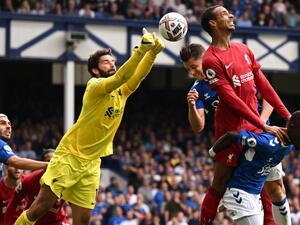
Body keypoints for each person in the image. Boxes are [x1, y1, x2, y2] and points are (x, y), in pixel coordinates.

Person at [14, 28, 165, 225]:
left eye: (113, 61)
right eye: (106, 62)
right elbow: (120, 77)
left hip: (92, 162)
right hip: (70, 156)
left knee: (83, 221)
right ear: (95, 70)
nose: (112, 64)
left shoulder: (122, 91)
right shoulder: (95, 86)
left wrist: (152, 54)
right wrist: (140, 51)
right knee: (38, 209)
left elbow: (136, 77)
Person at [199, 5, 292, 225]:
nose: (230, 15)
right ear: (212, 24)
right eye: (223, 14)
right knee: (219, 184)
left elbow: (265, 87)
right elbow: (231, 100)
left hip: (258, 125)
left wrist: (288, 117)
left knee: (272, 185)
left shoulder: (244, 50)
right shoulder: (211, 60)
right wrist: (264, 125)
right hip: (232, 128)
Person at [179, 43, 290, 225]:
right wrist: (191, 106)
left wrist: (261, 124)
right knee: (219, 185)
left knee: (274, 189)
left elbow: (268, 97)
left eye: (193, 66)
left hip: (261, 135)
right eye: (188, 69)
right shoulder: (197, 90)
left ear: (205, 59)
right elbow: (198, 126)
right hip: (233, 139)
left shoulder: (232, 68)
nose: (192, 72)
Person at [207, 110, 300, 225]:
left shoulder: (288, 145)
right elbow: (231, 136)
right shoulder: (268, 143)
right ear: (292, 126)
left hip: (255, 197)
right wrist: (211, 153)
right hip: (240, 192)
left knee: (278, 190)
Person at [5, 148, 71, 225]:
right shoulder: (29, 180)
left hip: (57, 221)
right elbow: (13, 203)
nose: (52, 163)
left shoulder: (67, 181)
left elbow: (76, 205)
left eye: (55, 160)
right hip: (32, 221)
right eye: (48, 161)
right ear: (42, 164)